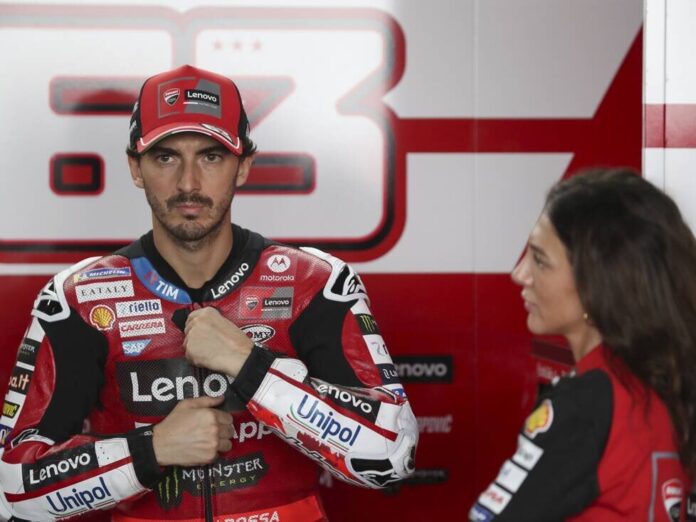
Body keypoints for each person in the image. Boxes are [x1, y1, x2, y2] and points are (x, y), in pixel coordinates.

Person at [0, 64, 418, 521]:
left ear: (244, 166)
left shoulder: (314, 283)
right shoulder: (79, 299)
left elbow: (393, 453)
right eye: (165, 157)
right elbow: (11, 490)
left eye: (211, 156)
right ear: (136, 168)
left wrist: (251, 367)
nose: (188, 183)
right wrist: (151, 450)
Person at [469, 169, 695, 521]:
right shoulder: (668, 384)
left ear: (597, 284)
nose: (520, 274)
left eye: (539, 260)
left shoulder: (587, 405)